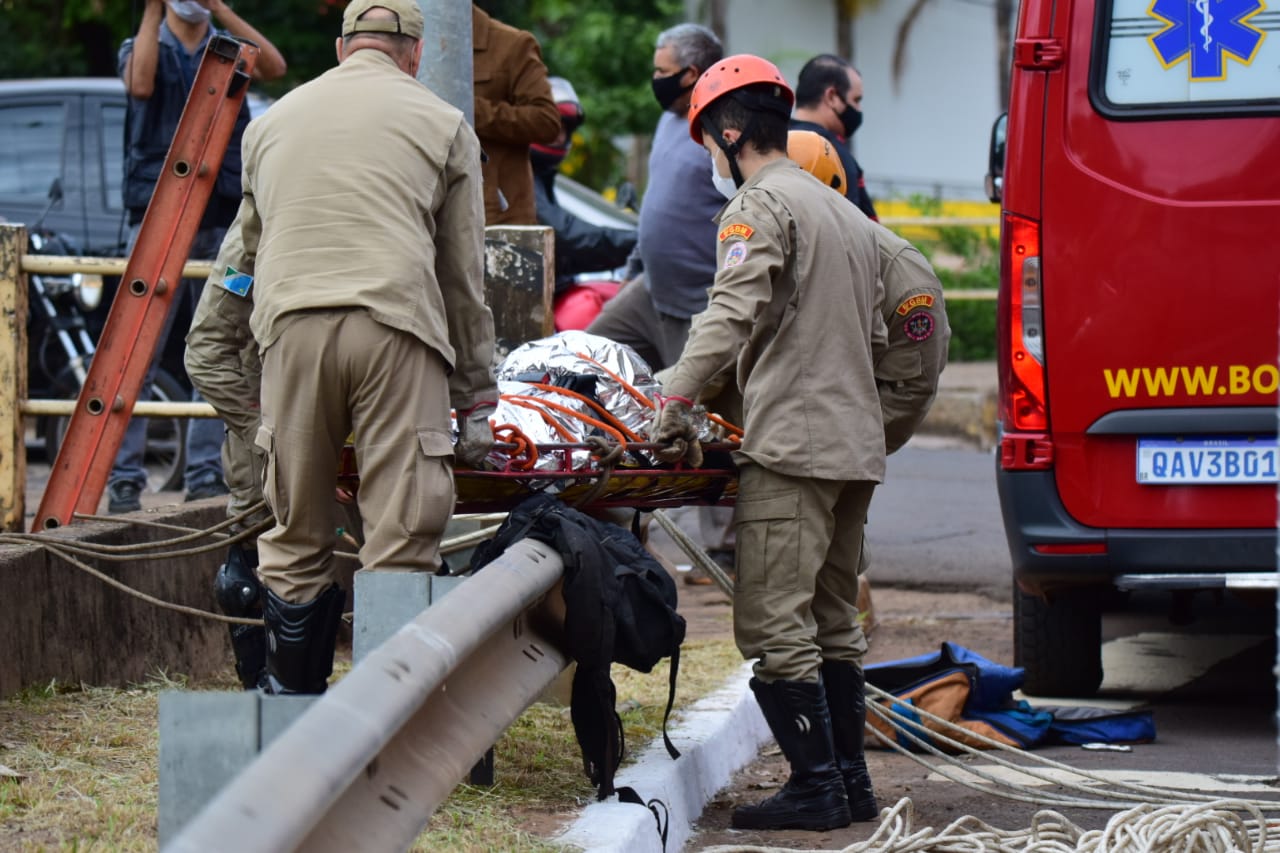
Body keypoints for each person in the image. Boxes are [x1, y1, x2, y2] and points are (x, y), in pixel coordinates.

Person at [221, 0, 498, 695]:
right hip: (396, 328)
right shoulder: (442, 124)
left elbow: (244, 257)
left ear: (342, 48)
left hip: (291, 329)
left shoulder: (271, 122)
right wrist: (477, 397)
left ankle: (292, 720)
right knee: (401, 536)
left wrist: (242, 363)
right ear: (413, 53)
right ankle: (387, 725)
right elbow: (462, 276)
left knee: (294, 531)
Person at [651, 55, 884, 831]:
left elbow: (729, 314)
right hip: (854, 445)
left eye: (705, 143)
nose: (709, 160)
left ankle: (816, 787)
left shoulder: (756, 209)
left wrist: (672, 396)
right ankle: (849, 783)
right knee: (831, 620)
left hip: (796, 448)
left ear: (725, 131)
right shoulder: (842, 213)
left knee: (772, 623)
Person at [109, 0, 286, 513]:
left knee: (218, 344)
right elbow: (139, 85)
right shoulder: (143, 45)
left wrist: (220, 12)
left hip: (223, 223)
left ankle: (208, 471)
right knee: (135, 351)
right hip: (156, 218)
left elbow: (273, 66)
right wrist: (150, 11)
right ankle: (125, 477)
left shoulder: (230, 47)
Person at [786, 130, 950, 452]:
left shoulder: (900, 275)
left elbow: (910, 390)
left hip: (837, 444)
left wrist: (841, 447)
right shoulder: (778, 246)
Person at [586, 23, 724, 372]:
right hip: (649, 292)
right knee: (585, 361)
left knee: (692, 413)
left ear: (690, 74)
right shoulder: (668, 120)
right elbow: (656, 206)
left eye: (662, 71)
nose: (655, 78)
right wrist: (634, 269)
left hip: (696, 307)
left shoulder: (722, 131)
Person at [184, 213, 274, 689]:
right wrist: (257, 429)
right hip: (265, 433)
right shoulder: (252, 237)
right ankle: (266, 692)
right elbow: (205, 351)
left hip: (354, 422)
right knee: (249, 567)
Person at [531, 75, 637, 327]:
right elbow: (566, 236)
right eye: (552, 125)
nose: (559, 136)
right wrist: (636, 241)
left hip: (543, 296)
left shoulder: (539, 175)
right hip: (528, 305)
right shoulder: (519, 171)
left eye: (565, 128)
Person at [472, 3, 561, 225]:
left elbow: (546, 120)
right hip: (422, 214)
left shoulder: (511, 44)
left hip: (494, 218)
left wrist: (469, 108)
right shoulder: (400, 39)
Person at [790, 54, 877, 220]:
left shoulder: (771, 144)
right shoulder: (833, 154)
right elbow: (854, 230)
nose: (858, 109)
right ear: (832, 97)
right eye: (856, 100)